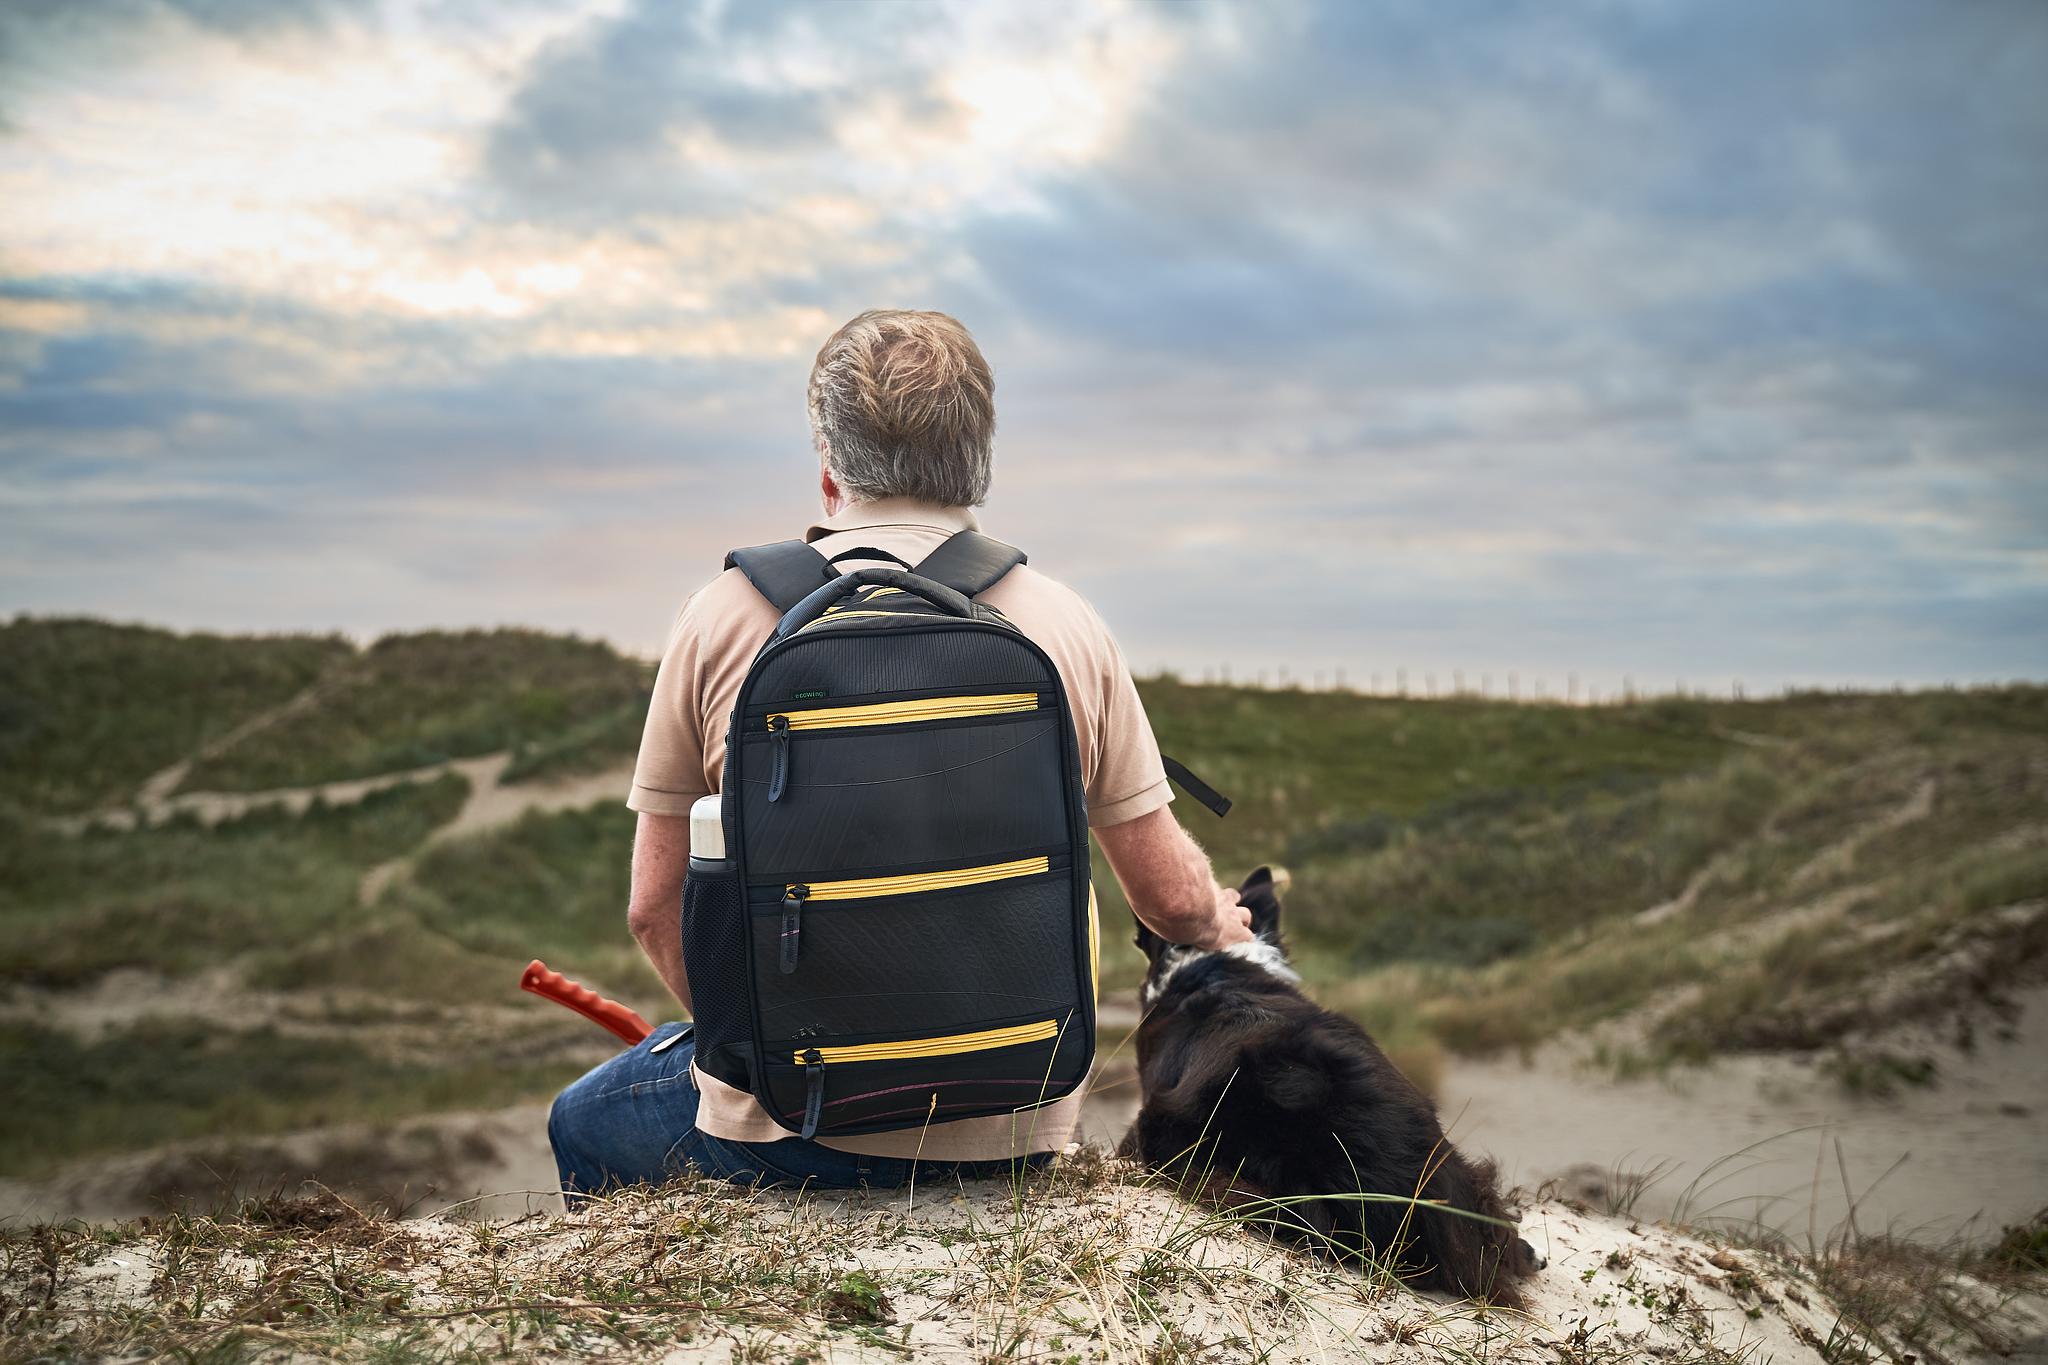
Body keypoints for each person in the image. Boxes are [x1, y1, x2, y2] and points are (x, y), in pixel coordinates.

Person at [548, 309, 1252, 1195]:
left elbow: (655, 911)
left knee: (580, 1117)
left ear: (828, 465)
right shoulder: (1064, 623)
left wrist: (769, 1060)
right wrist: (1220, 920)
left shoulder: (721, 618)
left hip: (790, 1125)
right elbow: (1171, 903)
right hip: (1016, 1122)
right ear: (980, 460)